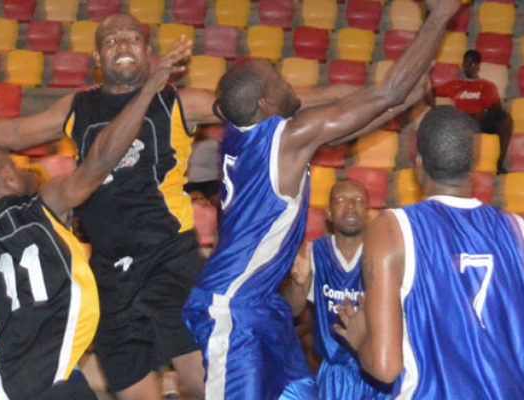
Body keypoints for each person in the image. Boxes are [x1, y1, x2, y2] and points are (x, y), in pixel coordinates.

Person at [182, 1, 461, 398]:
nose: (288, 82)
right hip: (233, 308)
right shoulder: (286, 139)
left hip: (263, 306)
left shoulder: (242, 132)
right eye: (278, 79)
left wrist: (409, 92)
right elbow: (386, 92)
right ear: (265, 104)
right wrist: (440, 16)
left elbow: (363, 114)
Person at [0, 44, 190, 400]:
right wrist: (146, 93)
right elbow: (100, 160)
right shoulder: (45, 204)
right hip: (56, 382)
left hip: (1, 389)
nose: (25, 170)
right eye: (16, 167)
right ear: (6, 178)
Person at [335, 106, 524, 398]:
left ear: (418, 162)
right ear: (474, 162)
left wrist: (361, 340)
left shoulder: (391, 230)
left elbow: (385, 367)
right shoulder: (518, 230)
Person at [281, 179, 392, 399]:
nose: (350, 206)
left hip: (377, 370)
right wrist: (298, 283)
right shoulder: (314, 253)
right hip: (334, 375)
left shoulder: (385, 255)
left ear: (368, 213)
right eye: (341, 200)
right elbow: (292, 311)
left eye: (358, 200)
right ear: (329, 213)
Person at [430, 49, 512, 173]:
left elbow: (496, 107)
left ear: (478, 66)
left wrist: (483, 114)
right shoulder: (455, 84)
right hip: (461, 120)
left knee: (505, 120)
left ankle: (498, 165)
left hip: (482, 120)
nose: (468, 66)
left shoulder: (487, 86)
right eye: (466, 63)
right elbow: (432, 92)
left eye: (472, 63)